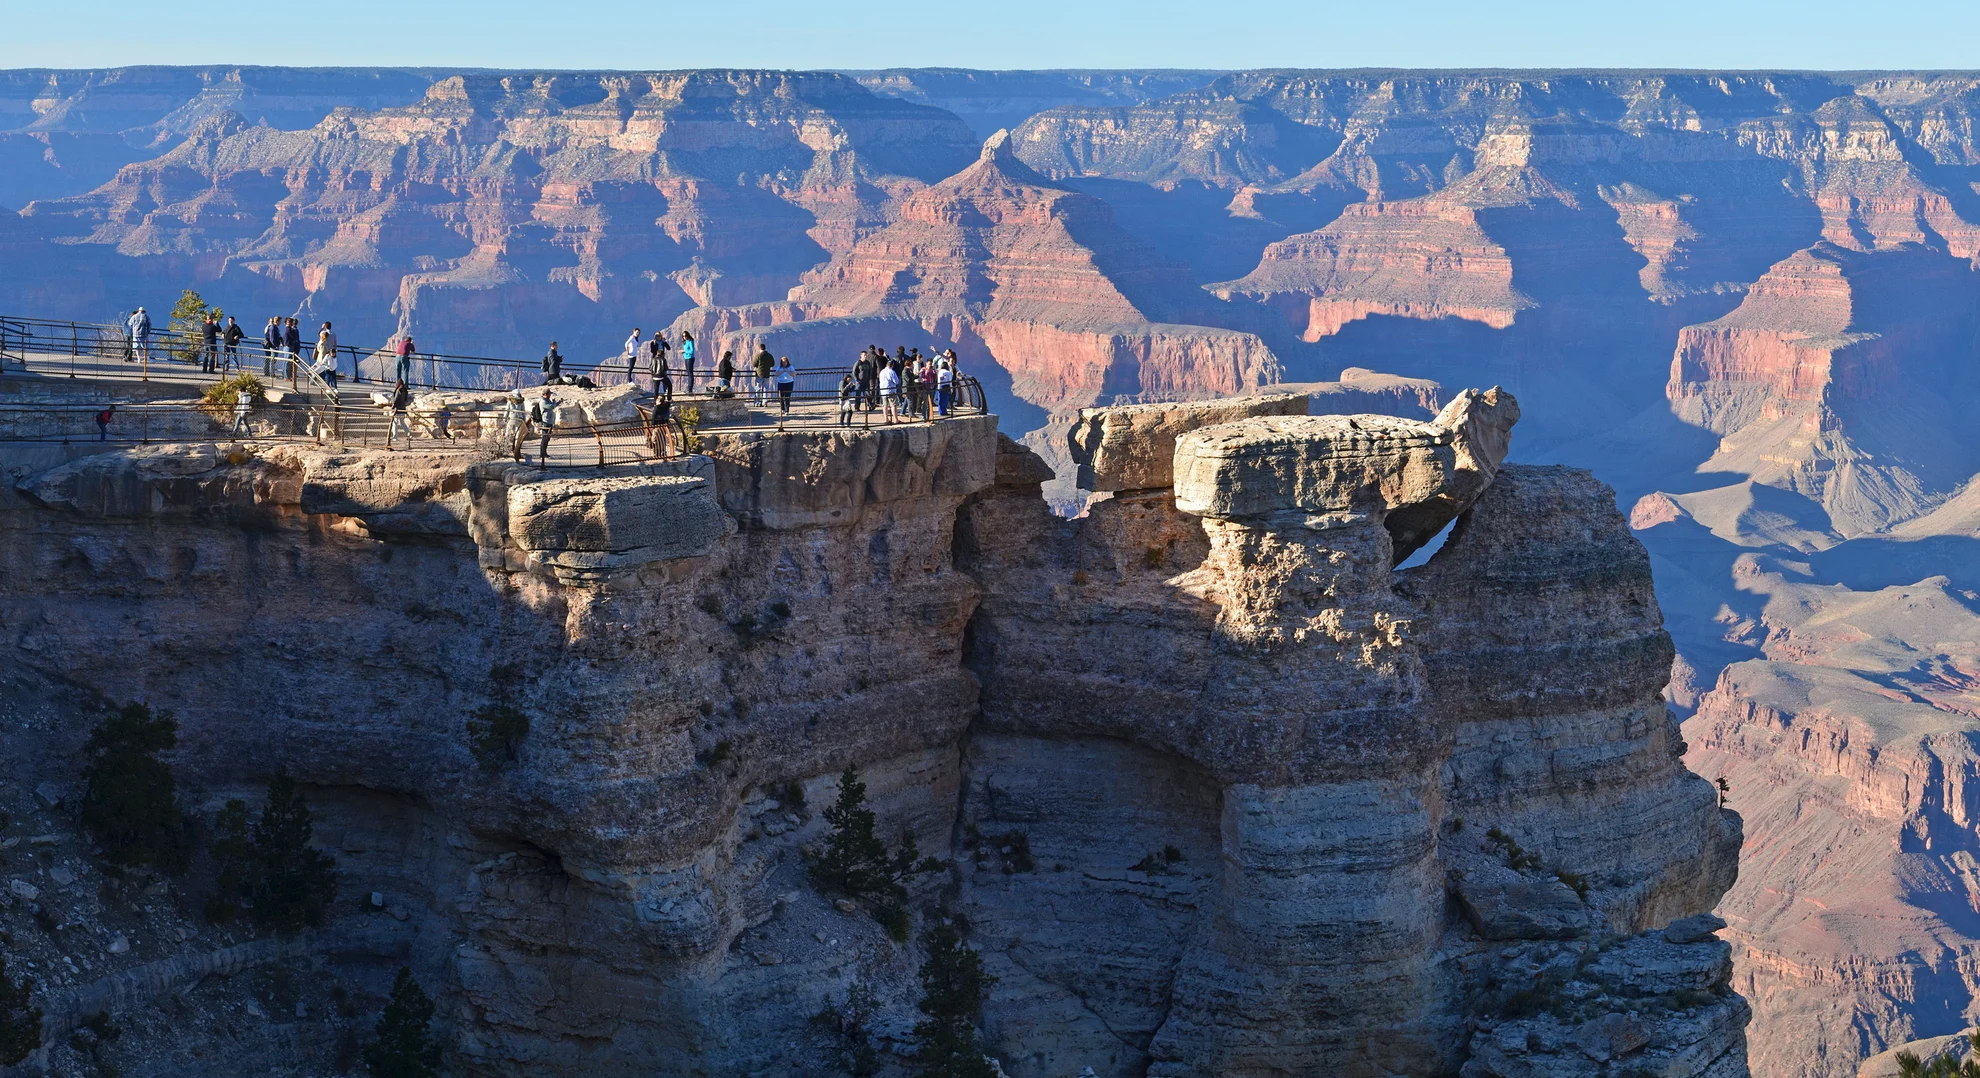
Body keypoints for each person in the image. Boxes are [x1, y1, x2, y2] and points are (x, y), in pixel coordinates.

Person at [529, 387, 556, 464]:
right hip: (545, 421)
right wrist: (554, 402)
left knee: (547, 438)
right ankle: (542, 454)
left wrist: (556, 402)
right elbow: (551, 406)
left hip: (550, 421)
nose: (550, 395)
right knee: (544, 437)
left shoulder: (547, 400)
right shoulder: (543, 401)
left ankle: (545, 453)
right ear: (545, 394)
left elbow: (552, 406)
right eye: (548, 394)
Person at [499, 390, 527, 460]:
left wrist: (504, 419)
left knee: (507, 434)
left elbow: (507, 411)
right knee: (517, 436)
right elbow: (523, 412)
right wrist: (524, 420)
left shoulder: (510, 401)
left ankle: (505, 450)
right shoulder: (521, 401)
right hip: (519, 419)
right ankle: (516, 450)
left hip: (511, 419)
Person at [385, 379, 412, 449]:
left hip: (397, 410)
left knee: (395, 423)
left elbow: (396, 400)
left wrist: (393, 406)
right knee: (403, 423)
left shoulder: (398, 391)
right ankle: (409, 434)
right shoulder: (405, 391)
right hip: (403, 409)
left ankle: (395, 437)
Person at [879, 354, 902, 423]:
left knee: (885, 405)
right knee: (893, 405)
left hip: (883, 390)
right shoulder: (892, 372)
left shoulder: (882, 371)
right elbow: (896, 381)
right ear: (892, 365)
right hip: (891, 390)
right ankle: (896, 419)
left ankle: (886, 419)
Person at [851, 348, 874, 413]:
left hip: (866, 381)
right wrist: (857, 379)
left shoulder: (868, 363)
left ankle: (870, 406)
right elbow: (854, 371)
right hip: (859, 381)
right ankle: (857, 407)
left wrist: (869, 377)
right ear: (861, 356)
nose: (865, 356)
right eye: (864, 355)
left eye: (866, 355)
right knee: (858, 395)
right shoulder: (858, 363)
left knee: (868, 394)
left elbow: (870, 370)